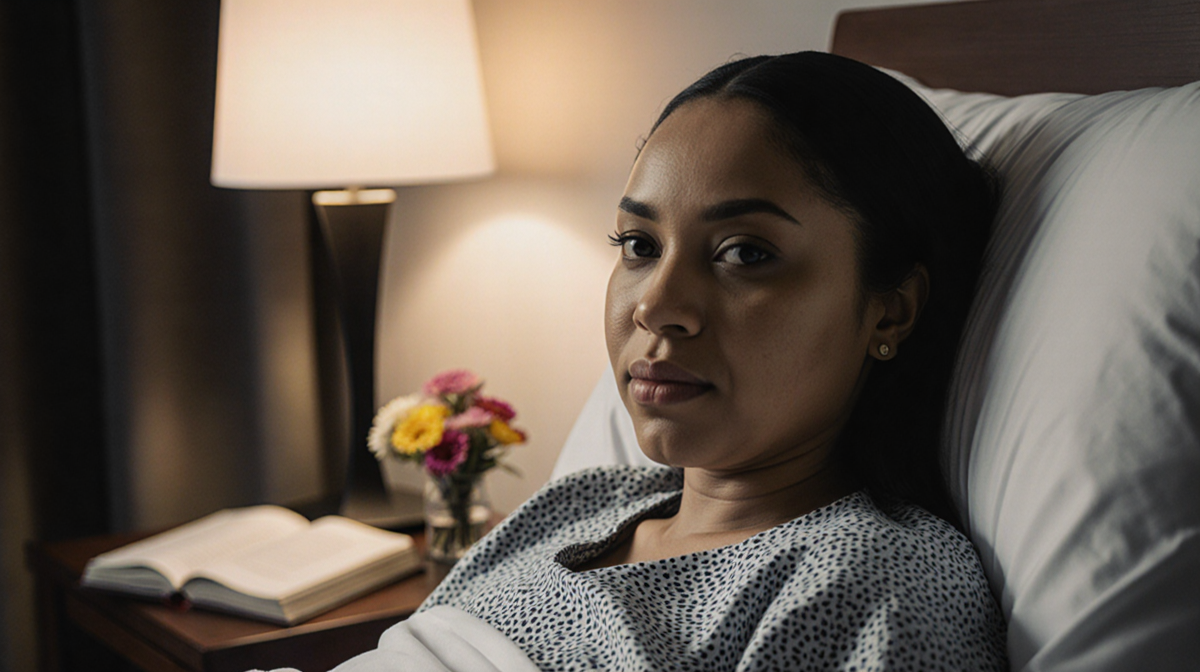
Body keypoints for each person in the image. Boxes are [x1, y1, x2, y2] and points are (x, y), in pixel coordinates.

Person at [343, 51, 1008, 671]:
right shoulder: (583, 502)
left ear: (889, 310)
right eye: (638, 244)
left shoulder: (871, 578)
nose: (657, 305)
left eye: (745, 253)